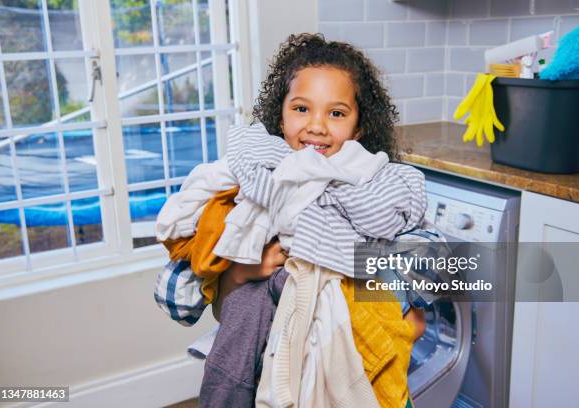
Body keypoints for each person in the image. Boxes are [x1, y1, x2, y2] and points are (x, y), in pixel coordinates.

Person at [156, 33, 428, 408]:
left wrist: (399, 308)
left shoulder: (374, 182)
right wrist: (242, 272)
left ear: (358, 126)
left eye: (336, 113)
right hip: (265, 374)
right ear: (280, 115)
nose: (317, 125)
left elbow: (425, 268)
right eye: (301, 109)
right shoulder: (252, 181)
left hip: (362, 370)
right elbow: (189, 301)